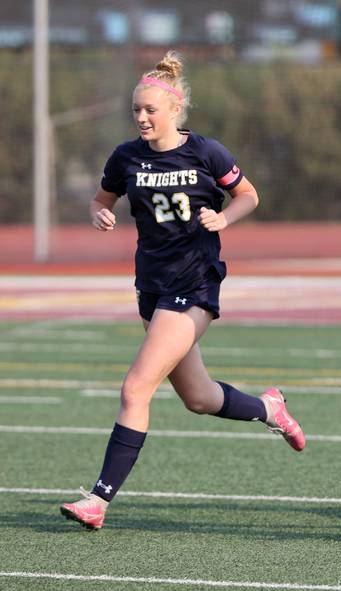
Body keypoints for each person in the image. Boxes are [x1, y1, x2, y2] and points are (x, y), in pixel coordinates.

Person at [59, 51, 305, 531]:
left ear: (175, 110)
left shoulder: (206, 152)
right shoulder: (125, 156)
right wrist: (99, 213)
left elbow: (248, 194)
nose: (142, 117)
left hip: (194, 284)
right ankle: (269, 409)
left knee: (136, 387)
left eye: (151, 109)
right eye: (136, 110)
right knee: (199, 397)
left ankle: (98, 499)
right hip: (150, 286)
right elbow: (101, 198)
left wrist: (224, 217)